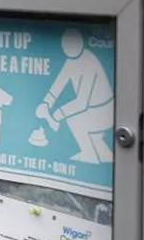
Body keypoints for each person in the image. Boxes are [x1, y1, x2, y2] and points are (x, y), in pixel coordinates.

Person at [37, 28, 115, 164]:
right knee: (78, 123)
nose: (68, 47)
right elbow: (58, 86)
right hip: (93, 110)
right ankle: (101, 154)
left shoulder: (89, 61)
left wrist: (56, 115)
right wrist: (46, 103)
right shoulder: (71, 61)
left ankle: (90, 155)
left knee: (75, 121)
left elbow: (81, 103)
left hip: (105, 110)